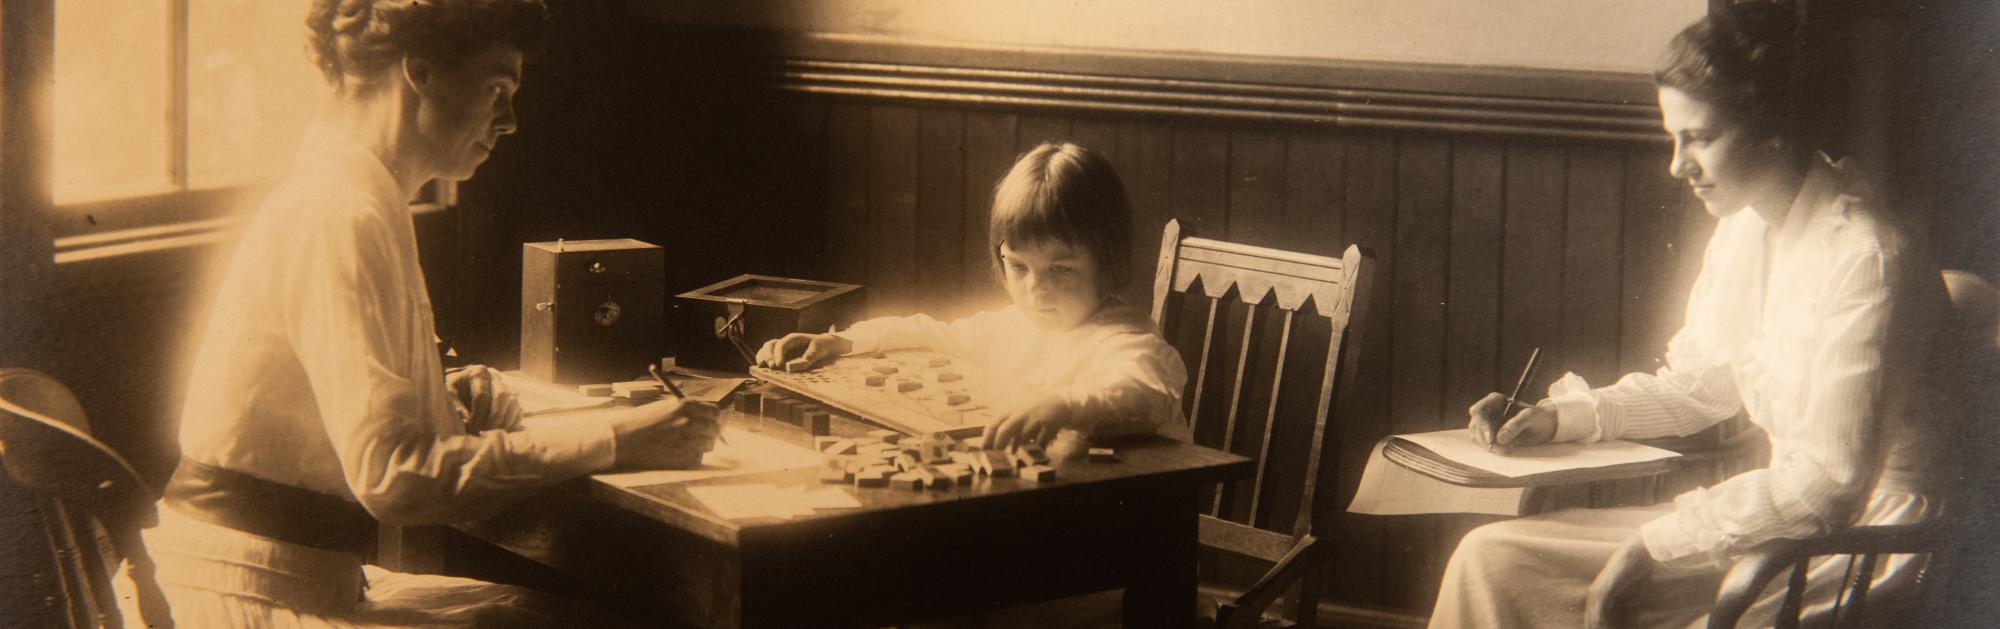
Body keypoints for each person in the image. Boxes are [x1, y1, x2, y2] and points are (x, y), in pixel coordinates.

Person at [135, 1, 717, 626]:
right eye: (496, 88)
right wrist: (612, 439)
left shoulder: (354, 196)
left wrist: (434, 400)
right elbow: (395, 475)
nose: (511, 121)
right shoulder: (341, 216)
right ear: (421, 72)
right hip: (251, 600)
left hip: (280, 578)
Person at [1431, 3, 1946, 628]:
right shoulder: (1746, 229)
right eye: (1675, 138)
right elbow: (1702, 387)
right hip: (1781, 523)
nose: (1678, 166)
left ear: (1773, 126)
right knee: (1491, 557)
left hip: (1862, 543)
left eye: (1700, 138)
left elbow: (1829, 485)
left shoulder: (1866, 256)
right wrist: (1557, 418)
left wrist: (1652, 547)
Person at [755, 142, 1187, 451]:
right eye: (1018, 266)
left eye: (1061, 269)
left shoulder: (1127, 341)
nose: (1035, 290)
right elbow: (929, 334)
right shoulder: (1012, 327)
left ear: (1107, 262)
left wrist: (1064, 405)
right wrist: (842, 341)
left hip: (1120, 528)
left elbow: (1143, 395)